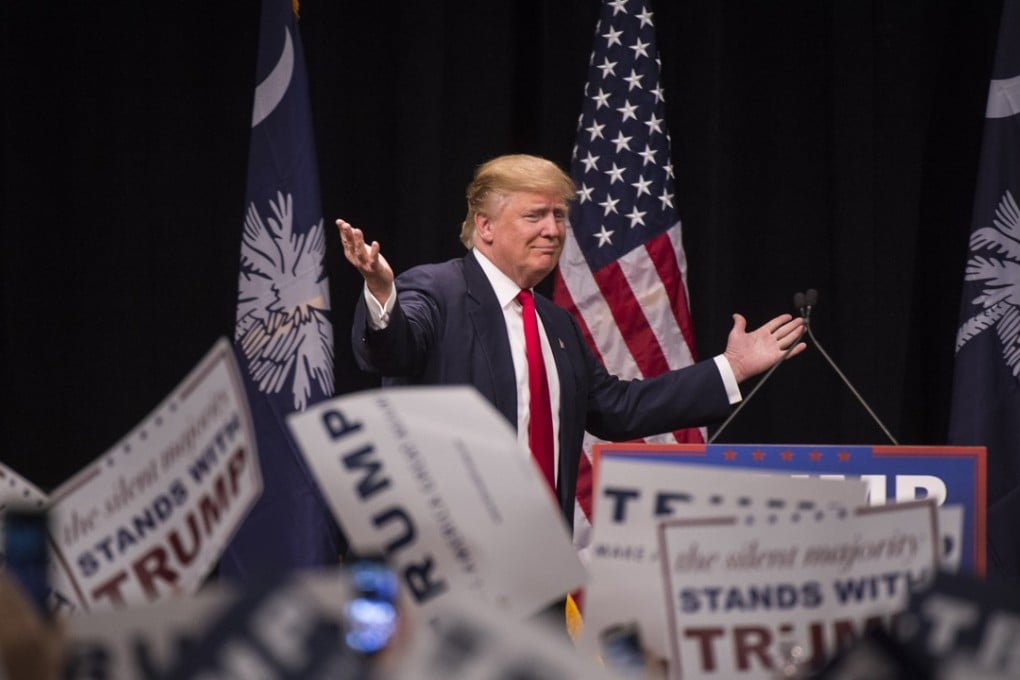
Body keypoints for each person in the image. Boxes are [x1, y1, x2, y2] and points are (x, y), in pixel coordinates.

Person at [336, 154, 805, 530]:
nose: (553, 229)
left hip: (541, 559)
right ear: (485, 226)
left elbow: (619, 410)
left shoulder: (555, 323)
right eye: (535, 215)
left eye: (559, 215)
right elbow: (392, 350)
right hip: (452, 561)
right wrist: (381, 292)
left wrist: (731, 367)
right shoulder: (436, 290)